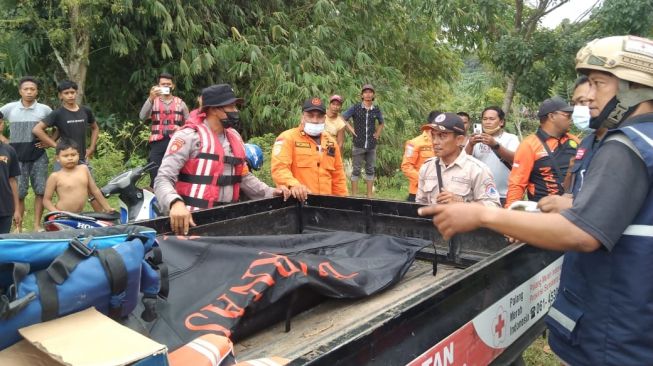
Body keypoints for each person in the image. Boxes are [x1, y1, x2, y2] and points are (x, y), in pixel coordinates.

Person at [419, 35, 653, 366]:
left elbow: (582, 234)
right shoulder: (642, 140)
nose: (586, 96)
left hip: (616, 331)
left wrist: (484, 216)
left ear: (636, 88)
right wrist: (573, 205)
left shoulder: (623, 146)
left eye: (599, 83)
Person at [154, 84, 290, 235]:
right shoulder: (188, 137)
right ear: (213, 109)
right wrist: (175, 202)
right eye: (231, 107)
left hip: (226, 221)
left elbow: (244, 177)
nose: (236, 111)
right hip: (193, 222)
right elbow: (163, 178)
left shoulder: (235, 137)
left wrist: (270, 192)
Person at [505, 96, 578, 208]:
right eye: (567, 115)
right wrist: (510, 213)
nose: (571, 119)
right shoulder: (529, 145)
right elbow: (517, 184)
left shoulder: (574, 141)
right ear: (552, 116)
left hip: (574, 209)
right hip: (543, 212)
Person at [0, 76, 52, 231]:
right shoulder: (9, 108)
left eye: (32, 89)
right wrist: (4, 139)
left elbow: (59, 124)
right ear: (20, 91)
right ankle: (19, 226)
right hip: (16, 157)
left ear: (37, 91)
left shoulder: (45, 109)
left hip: (38, 156)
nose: (29, 92)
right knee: (20, 193)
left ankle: (36, 225)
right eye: (26, 89)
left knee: (40, 191)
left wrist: (50, 141)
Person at [416, 113, 500, 207]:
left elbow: (494, 207)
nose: (435, 142)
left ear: (459, 140)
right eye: (433, 136)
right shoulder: (427, 167)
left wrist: (463, 205)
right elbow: (419, 205)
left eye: (442, 136)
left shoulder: (477, 170)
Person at [271, 98, 348, 200]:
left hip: (326, 205)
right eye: (310, 116)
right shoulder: (287, 138)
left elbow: (338, 177)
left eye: (319, 116)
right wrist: (293, 185)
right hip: (298, 203)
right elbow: (279, 168)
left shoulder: (331, 143)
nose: (315, 120)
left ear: (325, 118)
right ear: (302, 117)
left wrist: (343, 204)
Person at [32, 80, 100, 167]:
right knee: (62, 181)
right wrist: (54, 145)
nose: (70, 95)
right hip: (64, 158)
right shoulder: (58, 113)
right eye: (66, 93)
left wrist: (92, 148)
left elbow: (95, 128)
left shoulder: (85, 111)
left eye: (72, 92)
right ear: (60, 95)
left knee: (85, 180)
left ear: (77, 93)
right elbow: (37, 129)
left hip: (82, 157)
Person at [139, 73, 190, 186]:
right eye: (163, 84)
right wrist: (150, 98)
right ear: (158, 86)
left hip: (176, 142)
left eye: (168, 84)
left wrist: (180, 128)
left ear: (173, 86)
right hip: (157, 142)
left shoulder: (181, 104)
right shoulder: (153, 101)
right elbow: (142, 117)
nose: (166, 86)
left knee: (177, 171)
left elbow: (190, 125)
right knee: (154, 171)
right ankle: (156, 197)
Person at [465, 106, 519, 206]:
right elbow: (464, 161)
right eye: (485, 119)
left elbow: (516, 159)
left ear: (501, 122)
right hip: (479, 195)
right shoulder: (475, 139)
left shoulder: (511, 138)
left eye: (492, 119)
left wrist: (495, 145)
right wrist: (470, 144)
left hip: (504, 194)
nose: (487, 122)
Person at [43, 139, 114, 214]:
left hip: (78, 215)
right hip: (62, 215)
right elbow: (46, 200)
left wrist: (107, 207)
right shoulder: (55, 176)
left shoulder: (84, 169)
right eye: (65, 156)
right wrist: (56, 213)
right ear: (58, 158)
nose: (70, 158)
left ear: (78, 155)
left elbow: (95, 190)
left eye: (73, 155)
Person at [342, 84, 384, 198]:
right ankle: (354, 196)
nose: (368, 94)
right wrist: (351, 129)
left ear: (373, 95)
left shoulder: (376, 109)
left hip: (371, 145)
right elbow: (343, 118)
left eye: (370, 92)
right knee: (356, 170)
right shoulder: (356, 108)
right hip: (358, 144)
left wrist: (378, 133)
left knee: (370, 170)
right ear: (362, 95)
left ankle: (369, 196)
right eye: (365, 92)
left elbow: (381, 123)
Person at [400, 111, 437, 202]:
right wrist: (423, 181)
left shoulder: (444, 143)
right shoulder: (413, 143)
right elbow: (406, 166)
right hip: (417, 192)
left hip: (438, 192)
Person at [0, 112, 21, 233]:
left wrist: (16, 209)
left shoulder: (9, 150)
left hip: (5, 208)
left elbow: (12, 180)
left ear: (2, 125)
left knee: (2, 245)